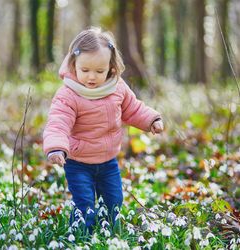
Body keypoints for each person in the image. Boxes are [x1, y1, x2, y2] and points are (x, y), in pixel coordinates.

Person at [43, 27, 164, 234]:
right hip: (78, 162)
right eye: (85, 70)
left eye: (100, 71)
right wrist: (56, 148)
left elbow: (133, 108)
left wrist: (151, 119)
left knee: (114, 201)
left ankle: (110, 236)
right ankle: (81, 237)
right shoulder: (68, 94)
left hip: (108, 162)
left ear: (111, 67)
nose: (92, 77)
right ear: (74, 65)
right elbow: (58, 123)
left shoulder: (117, 87)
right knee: (85, 204)